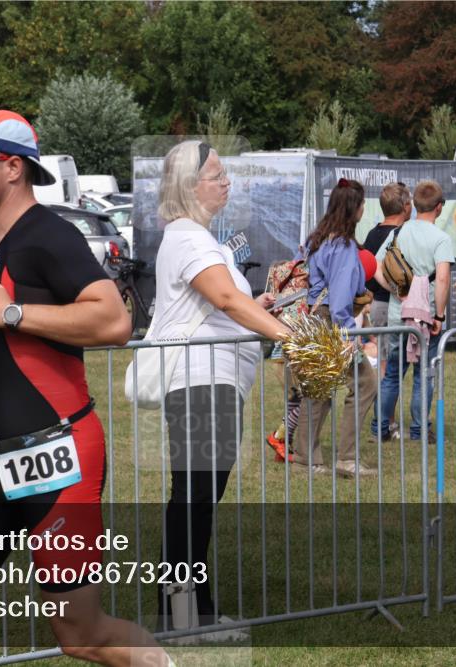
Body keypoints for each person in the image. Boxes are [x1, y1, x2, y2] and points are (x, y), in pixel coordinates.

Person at [0, 109, 172, 667]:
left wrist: (7, 312)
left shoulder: (49, 234)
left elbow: (114, 322)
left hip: (59, 455)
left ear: (11, 168)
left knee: (80, 636)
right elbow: (9, 337)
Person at [150, 140, 289, 630]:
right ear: (190, 186)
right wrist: (289, 337)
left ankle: (191, 612)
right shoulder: (189, 237)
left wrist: (264, 310)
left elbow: (227, 302)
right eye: (216, 175)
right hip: (201, 384)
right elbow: (228, 298)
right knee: (193, 503)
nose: (226, 182)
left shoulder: (197, 238)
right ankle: (182, 615)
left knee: (197, 502)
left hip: (213, 382)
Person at [292, 178, 378, 477]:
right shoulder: (342, 245)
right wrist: (346, 335)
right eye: (363, 203)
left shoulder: (319, 238)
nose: (365, 209)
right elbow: (340, 295)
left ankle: (306, 459)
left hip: (315, 319)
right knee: (365, 383)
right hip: (332, 320)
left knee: (316, 390)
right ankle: (346, 458)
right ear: (354, 208)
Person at [372, 180, 454, 442]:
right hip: (426, 318)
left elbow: (375, 267)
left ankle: (380, 427)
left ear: (414, 205)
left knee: (392, 374)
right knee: (423, 376)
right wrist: (439, 315)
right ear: (439, 208)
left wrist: (397, 290)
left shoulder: (399, 232)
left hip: (399, 315)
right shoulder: (441, 239)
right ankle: (419, 429)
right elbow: (442, 279)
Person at [363, 181, 412, 374]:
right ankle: (384, 403)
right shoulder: (403, 234)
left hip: (379, 304)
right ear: (405, 207)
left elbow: (366, 272)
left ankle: (385, 401)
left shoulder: (372, 234)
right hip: (394, 303)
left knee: (385, 363)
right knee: (389, 368)